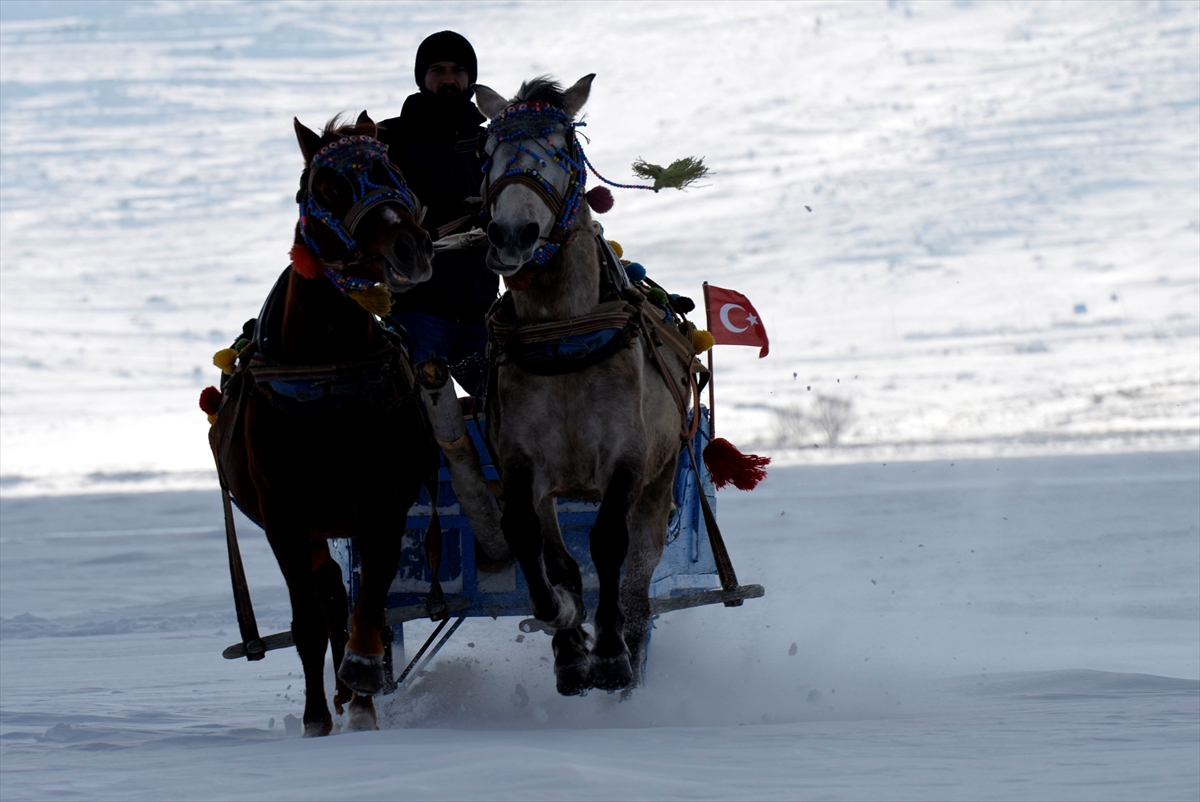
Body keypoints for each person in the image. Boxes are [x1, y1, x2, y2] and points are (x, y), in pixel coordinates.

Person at [376, 31, 496, 398]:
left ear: (470, 78)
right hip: (416, 308)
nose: (449, 79)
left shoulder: (491, 143)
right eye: (438, 69)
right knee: (417, 420)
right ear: (421, 77)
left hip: (482, 310)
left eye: (458, 70)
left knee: (507, 415)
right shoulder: (387, 138)